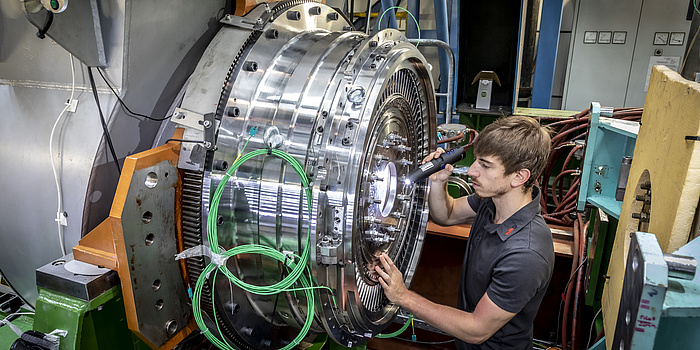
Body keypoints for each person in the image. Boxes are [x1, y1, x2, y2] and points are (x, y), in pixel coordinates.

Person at [375, 116, 554, 350]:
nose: (472, 171)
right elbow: (446, 214)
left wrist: (403, 296)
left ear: (519, 176)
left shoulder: (526, 255)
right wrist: (439, 182)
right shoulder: (492, 202)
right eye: (476, 160)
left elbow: (476, 330)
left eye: (485, 165)